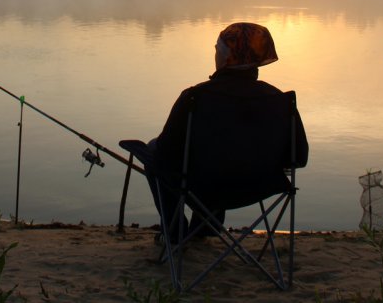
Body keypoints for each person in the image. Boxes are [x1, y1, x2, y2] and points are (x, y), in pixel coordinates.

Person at [127, 22, 309, 240]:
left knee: (155, 150)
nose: (215, 54)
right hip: (260, 186)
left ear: (226, 57)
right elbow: (299, 157)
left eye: (217, 49)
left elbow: (167, 153)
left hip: (204, 186)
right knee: (223, 160)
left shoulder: (195, 97)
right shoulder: (280, 100)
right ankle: (204, 227)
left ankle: (175, 232)